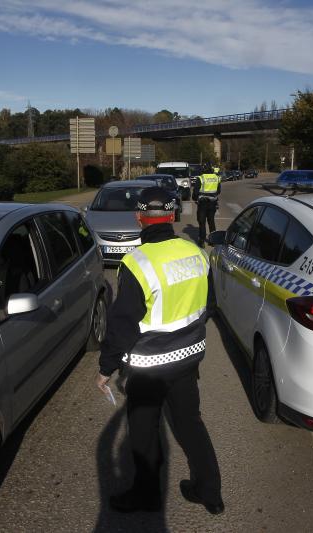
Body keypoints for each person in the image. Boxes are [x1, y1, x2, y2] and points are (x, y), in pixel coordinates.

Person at [96, 186, 223, 515]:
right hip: (189, 358)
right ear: (174, 215)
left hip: (149, 368)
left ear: (140, 218)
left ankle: (146, 495)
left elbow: (122, 324)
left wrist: (105, 368)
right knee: (190, 423)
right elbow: (209, 304)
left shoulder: (136, 263)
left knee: (143, 432)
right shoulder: (195, 250)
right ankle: (209, 492)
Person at [193, 165, 221, 247]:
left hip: (203, 203)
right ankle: (213, 241)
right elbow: (219, 191)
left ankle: (202, 241)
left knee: (202, 222)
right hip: (213, 203)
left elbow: (195, 192)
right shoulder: (216, 178)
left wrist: (195, 198)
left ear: (203, 170)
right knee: (211, 221)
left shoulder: (201, 178)